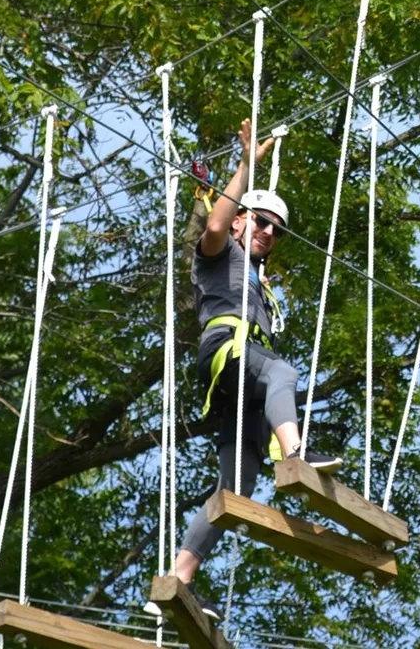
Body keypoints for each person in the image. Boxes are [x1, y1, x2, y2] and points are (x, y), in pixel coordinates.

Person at [149, 119, 340, 620]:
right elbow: (213, 227)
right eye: (259, 221)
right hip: (227, 352)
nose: (268, 232)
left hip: (244, 378)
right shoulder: (219, 255)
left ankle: (177, 580)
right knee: (284, 374)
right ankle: (296, 452)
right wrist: (245, 168)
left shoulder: (260, 282)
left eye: (276, 229)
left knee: (236, 486)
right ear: (239, 220)